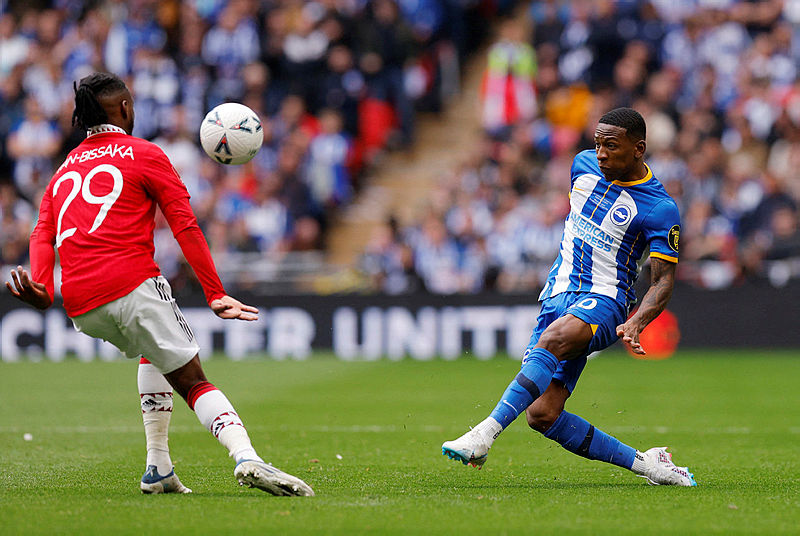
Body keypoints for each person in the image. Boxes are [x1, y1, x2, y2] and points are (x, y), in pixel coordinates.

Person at [5, 72, 313, 497]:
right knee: (193, 379)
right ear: (126, 109)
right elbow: (184, 224)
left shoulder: (64, 169)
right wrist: (214, 291)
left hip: (80, 304)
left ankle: (159, 468)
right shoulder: (144, 154)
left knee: (153, 351)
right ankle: (246, 457)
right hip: (130, 283)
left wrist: (42, 284)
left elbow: (43, 232)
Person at [441, 108, 697, 487]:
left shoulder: (659, 208)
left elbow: (662, 281)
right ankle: (651, 465)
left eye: (612, 146)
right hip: (556, 294)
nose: (601, 153)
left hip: (607, 301)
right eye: (598, 144)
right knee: (542, 414)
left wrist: (638, 320)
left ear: (638, 149)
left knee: (555, 340)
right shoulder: (581, 166)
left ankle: (483, 434)